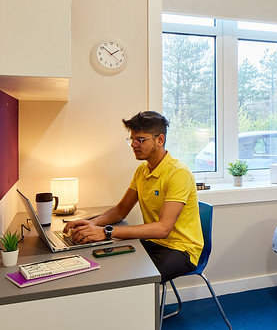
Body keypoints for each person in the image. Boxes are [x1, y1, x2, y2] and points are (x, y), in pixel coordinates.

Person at [64, 111, 203, 282]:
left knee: (131, 280)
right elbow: (121, 210)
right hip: (154, 243)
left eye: (141, 140)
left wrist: (107, 232)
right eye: (132, 139)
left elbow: (163, 229)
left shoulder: (178, 174)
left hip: (181, 249)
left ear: (160, 140)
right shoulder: (142, 171)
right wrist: (93, 223)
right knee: (111, 264)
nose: (133, 145)